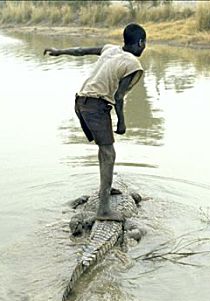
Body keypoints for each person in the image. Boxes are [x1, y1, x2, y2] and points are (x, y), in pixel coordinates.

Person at [44, 23, 146, 221]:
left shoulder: (110, 49)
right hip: (96, 105)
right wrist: (122, 123)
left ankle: (105, 191)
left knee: (104, 150)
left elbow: (81, 51)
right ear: (140, 42)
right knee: (109, 153)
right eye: (144, 44)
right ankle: (104, 210)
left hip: (80, 101)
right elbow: (118, 97)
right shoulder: (133, 64)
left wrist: (58, 52)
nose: (144, 48)